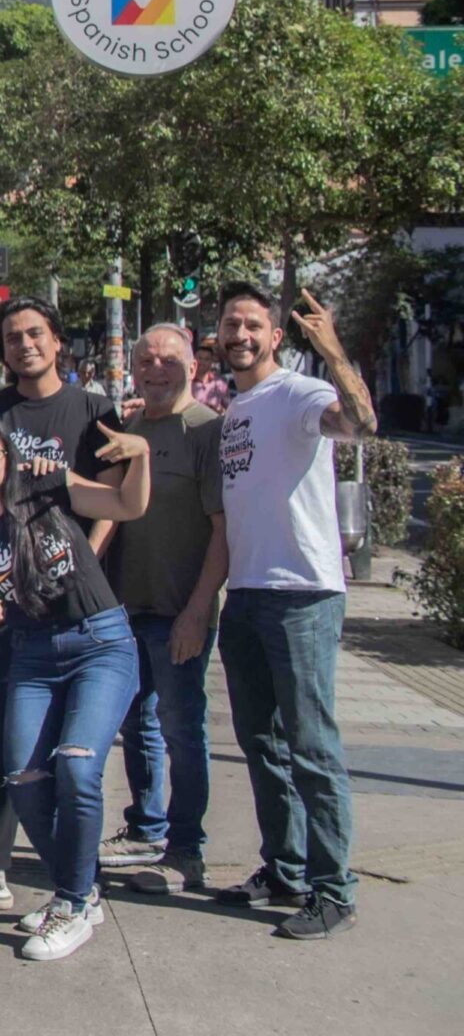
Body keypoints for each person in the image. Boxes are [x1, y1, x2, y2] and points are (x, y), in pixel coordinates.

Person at [0, 411, 150, 961]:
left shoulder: (45, 485)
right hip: (32, 655)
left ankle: (69, 901)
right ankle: (81, 891)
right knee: (23, 775)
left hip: (100, 640)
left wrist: (141, 456)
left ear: (7, 457)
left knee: (79, 765)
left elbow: (128, 506)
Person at [210, 283, 373, 939]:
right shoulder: (237, 407)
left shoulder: (300, 392)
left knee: (311, 747)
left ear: (276, 336)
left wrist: (331, 348)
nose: (241, 334)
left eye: (253, 325)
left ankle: (334, 890)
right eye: (230, 325)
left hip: (303, 592)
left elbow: (360, 422)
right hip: (247, 593)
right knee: (262, 744)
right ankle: (284, 868)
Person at [100, 326, 228, 894]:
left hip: (179, 610)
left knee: (181, 728)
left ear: (194, 368)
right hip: (127, 608)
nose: (156, 369)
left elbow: (224, 533)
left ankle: (186, 849)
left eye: (169, 359)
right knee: (138, 724)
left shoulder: (208, 432)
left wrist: (199, 609)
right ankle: (145, 827)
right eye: (145, 359)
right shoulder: (129, 428)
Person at [0, 297, 122, 546]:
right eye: (13, 339)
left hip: (76, 567)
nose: (25, 345)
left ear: (57, 340)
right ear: (3, 351)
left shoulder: (96, 410)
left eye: (35, 333)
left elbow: (113, 502)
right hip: (4, 565)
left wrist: (85, 566)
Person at [191, 339, 233, 414]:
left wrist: (220, 410)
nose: (202, 362)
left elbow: (230, 410)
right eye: (200, 358)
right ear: (193, 359)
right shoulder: (186, 382)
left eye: (206, 359)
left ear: (211, 362)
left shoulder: (220, 384)